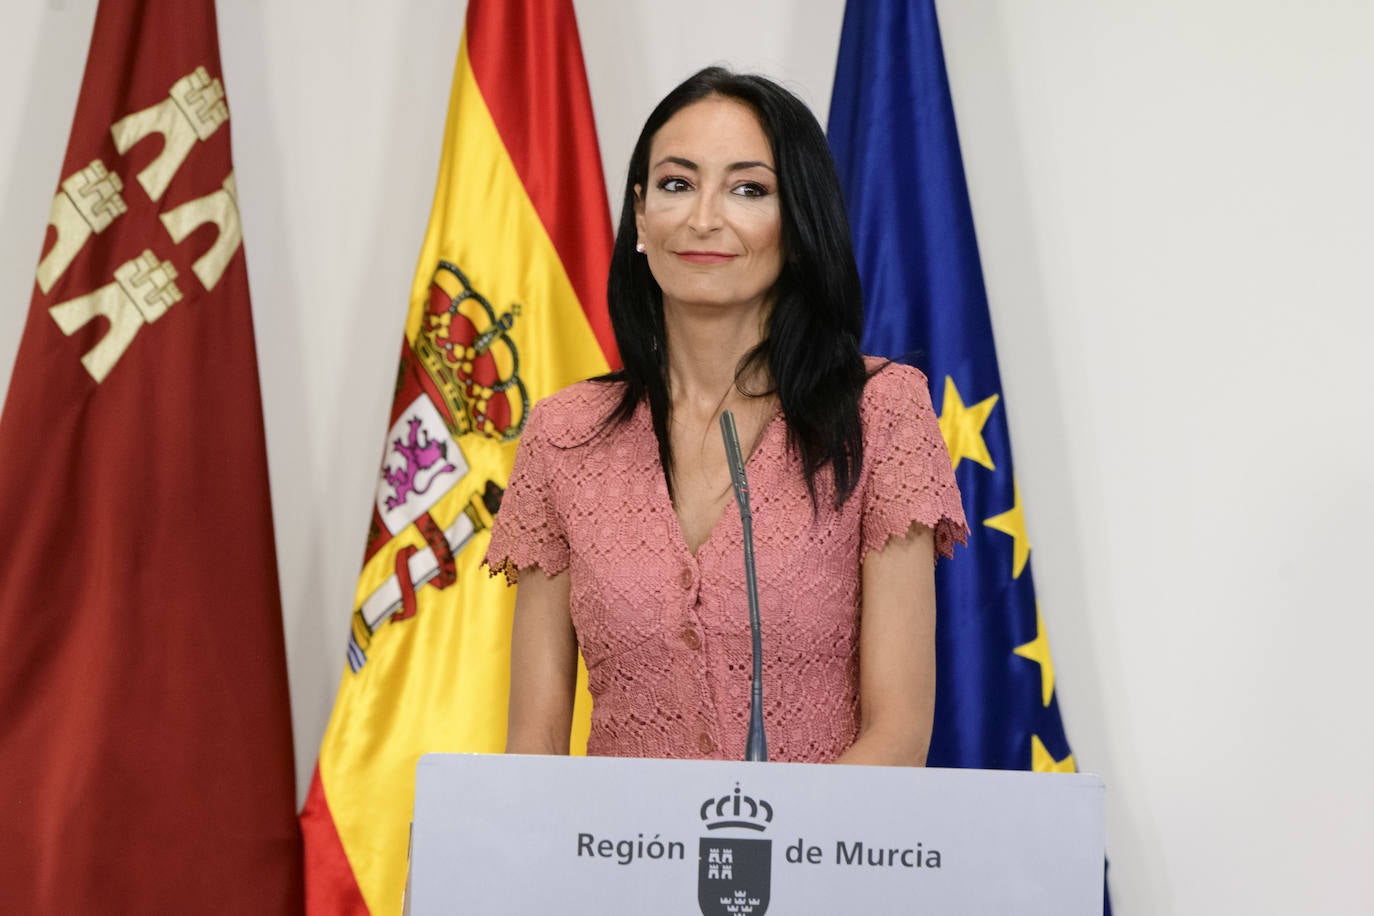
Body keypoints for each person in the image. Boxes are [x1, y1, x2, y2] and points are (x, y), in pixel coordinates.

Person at [484, 67, 966, 766]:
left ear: (797, 223)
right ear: (641, 216)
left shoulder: (880, 411)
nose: (704, 218)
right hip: (617, 838)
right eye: (677, 184)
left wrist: (775, 836)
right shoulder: (566, 434)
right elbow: (534, 741)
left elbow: (898, 735)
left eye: (748, 190)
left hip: (825, 836)